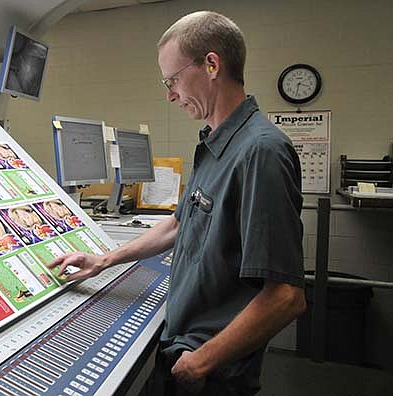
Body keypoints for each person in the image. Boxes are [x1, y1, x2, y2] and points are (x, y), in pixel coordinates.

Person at [48, 11, 306, 396]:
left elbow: (286, 296)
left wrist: (203, 361)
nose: (169, 94)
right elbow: (178, 224)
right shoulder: (216, 142)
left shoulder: (261, 152)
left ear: (212, 64)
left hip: (210, 368)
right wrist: (103, 260)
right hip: (183, 348)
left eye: (172, 80)